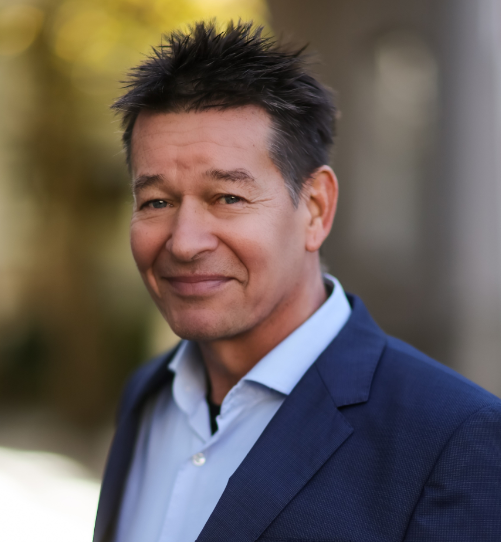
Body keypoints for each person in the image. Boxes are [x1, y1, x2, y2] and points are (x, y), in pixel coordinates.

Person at [93, 21, 501, 542]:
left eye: (228, 198)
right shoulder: (147, 396)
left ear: (315, 208)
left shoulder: (454, 439)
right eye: (156, 202)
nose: (185, 242)